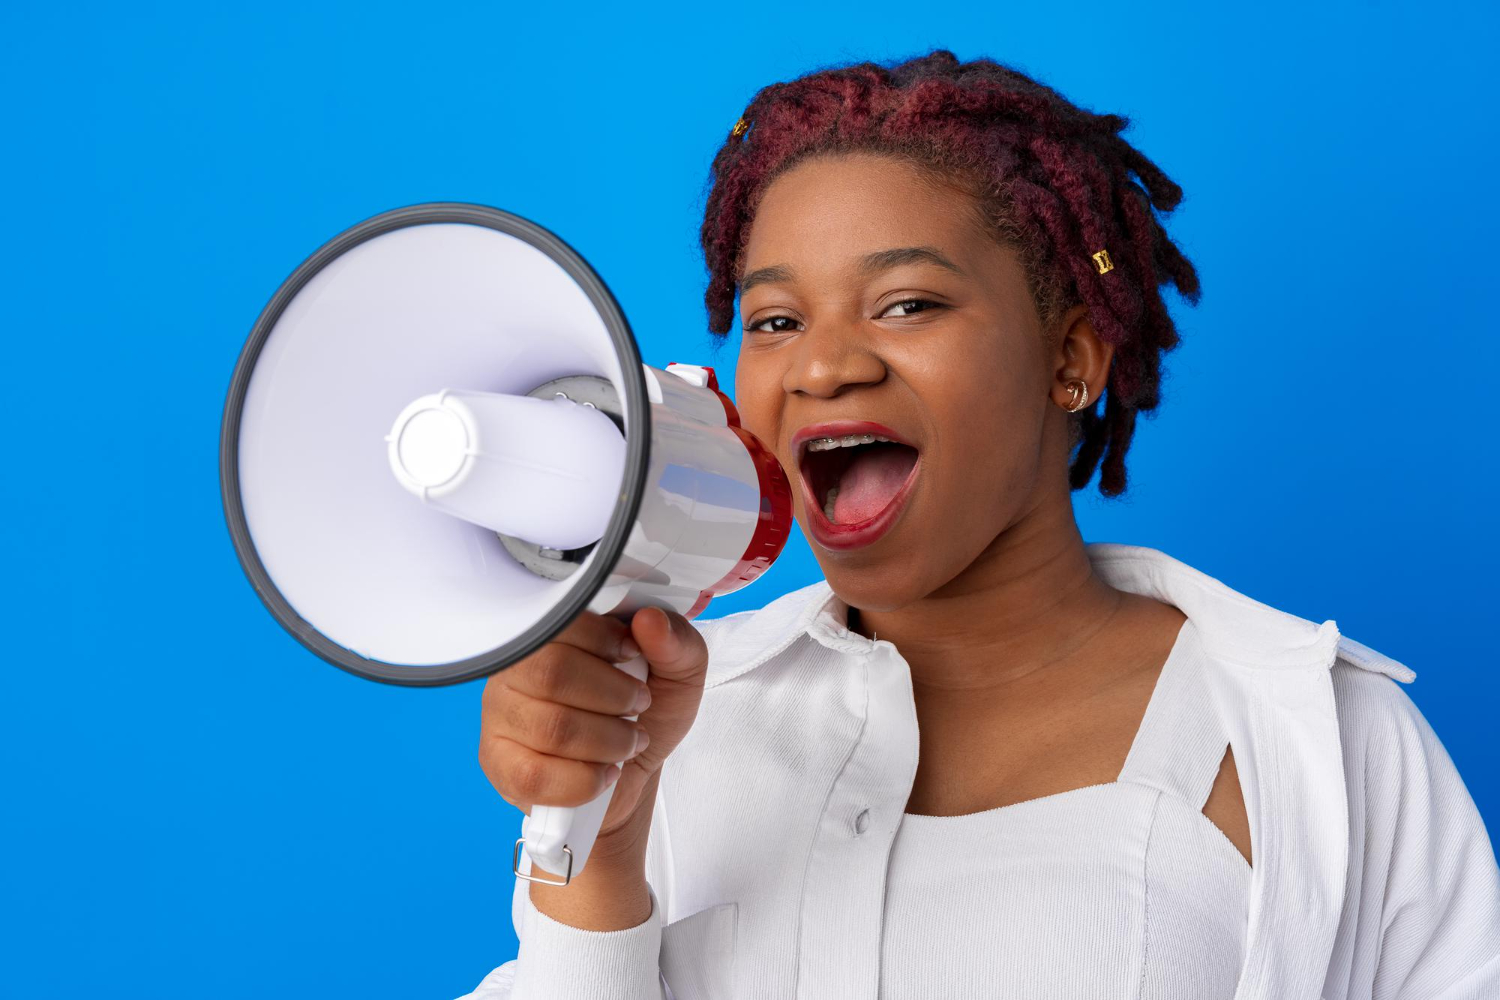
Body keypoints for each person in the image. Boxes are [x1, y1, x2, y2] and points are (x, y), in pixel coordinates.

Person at [459, 51, 1500, 999]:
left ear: (1072, 361)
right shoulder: (665, 723)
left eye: (907, 304)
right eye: (776, 321)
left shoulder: (1316, 736)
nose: (822, 367)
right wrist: (599, 855)